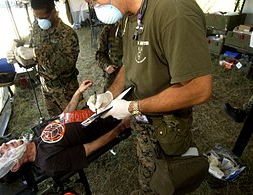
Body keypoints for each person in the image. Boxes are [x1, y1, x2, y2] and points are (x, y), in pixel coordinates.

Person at [86, 0, 213, 194]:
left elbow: (199, 89)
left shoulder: (175, 12)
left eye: (94, 1)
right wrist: (110, 94)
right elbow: (130, 64)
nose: (95, 8)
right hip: (142, 119)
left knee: (169, 180)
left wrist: (133, 107)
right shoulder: (129, 15)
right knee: (148, 168)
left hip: (168, 125)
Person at [0, 80, 130, 179]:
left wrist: (77, 93)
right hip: (111, 118)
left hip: (96, 107)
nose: (3, 145)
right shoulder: (48, 163)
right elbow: (91, 148)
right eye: (1, 153)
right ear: (15, 165)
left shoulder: (33, 135)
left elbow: (63, 117)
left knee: (129, 80)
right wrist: (121, 126)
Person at [7, 0, 80, 116]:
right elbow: (33, 60)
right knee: (55, 121)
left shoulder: (67, 34)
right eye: (36, 17)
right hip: (46, 87)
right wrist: (19, 58)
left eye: (44, 17)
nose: (40, 21)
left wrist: (36, 53)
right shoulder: (37, 28)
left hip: (65, 89)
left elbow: (66, 65)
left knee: (74, 120)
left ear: (54, 12)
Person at [95, 21, 123, 91]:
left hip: (133, 76)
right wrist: (106, 65)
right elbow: (100, 54)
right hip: (114, 75)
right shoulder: (108, 30)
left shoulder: (135, 27)